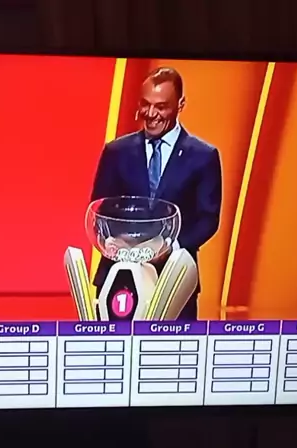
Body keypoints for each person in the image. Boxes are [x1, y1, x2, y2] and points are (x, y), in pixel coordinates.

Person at [90, 67, 223, 320]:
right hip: (119, 275)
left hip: (174, 280)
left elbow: (207, 219)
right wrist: (110, 241)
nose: (151, 114)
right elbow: (99, 209)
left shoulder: (203, 156)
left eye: (161, 107)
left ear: (180, 105)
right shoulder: (116, 152)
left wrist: (169, 248)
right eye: (145, 104)